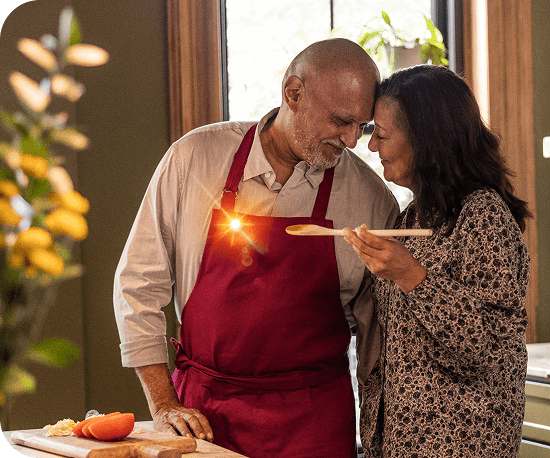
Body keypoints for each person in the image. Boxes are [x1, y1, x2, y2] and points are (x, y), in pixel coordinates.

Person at [113, 38, 399, 458]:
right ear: (293, 93)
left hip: (315, 426)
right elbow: (137, 286)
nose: (353, 141)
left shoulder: (371, 200)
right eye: (341, 121)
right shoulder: (193, 160)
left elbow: (379, 337)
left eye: (364, 126)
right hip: (202, 420)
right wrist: (163, 404)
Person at [343, 65, 531, 458]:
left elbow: (488, 350)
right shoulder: (412, 218)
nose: (372, 146)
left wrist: (411, 275)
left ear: (427, 140)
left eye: (381, 133)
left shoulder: (483, 216)